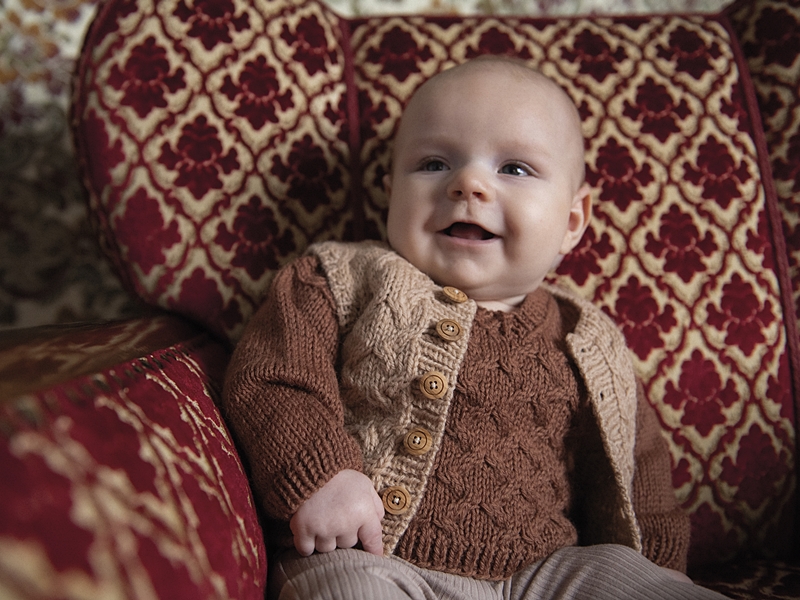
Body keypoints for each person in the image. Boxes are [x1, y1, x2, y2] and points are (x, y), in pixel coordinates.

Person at [222, 57, 728, 599]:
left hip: (546, 574)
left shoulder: (589, 339)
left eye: (515, 169)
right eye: (434, 163)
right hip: (374, 556)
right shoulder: (339, 279)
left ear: (572, 220)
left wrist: (659, 565)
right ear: (390, 192)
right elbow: (272, 377)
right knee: (345, 587)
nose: (468, 184)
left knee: (623, 576)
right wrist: (320, 474)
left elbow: (637, 464)